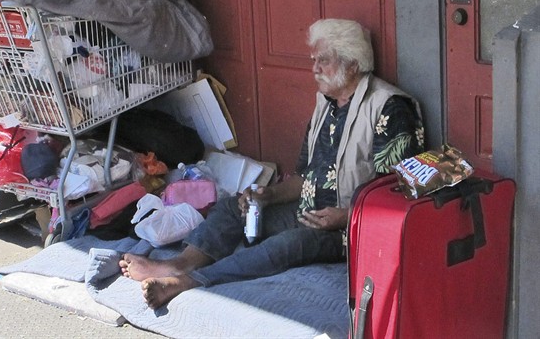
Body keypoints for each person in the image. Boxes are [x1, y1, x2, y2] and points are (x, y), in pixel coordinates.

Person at [119, 18, 425, 309]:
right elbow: (305, 176)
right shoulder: (327, 104)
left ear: (353, 64)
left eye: (324, 61)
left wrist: (346, 216)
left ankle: (188, 280)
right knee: (231, 207)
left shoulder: (390, 109)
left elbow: (398, 196)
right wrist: (268, 196)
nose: (315, 69)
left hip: (349, 230)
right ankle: (178, 262)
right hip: (309, 212)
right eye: (313, 60)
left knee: (289, 244)